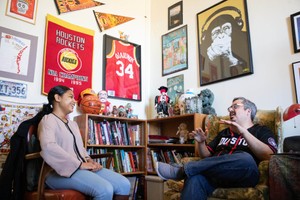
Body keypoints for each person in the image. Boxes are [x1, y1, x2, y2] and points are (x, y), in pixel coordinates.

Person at [156, 97, 278, 200]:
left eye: (235, 106)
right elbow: (206, 156)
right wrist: (202, 142)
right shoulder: (224, 133)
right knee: (195, 178)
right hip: (215, 176)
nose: (230, 110)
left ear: (248, 111)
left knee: (246, 158)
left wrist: (243, 132)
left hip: (243, 174)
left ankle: (182, 171)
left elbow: (269, 155)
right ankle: (187, 172)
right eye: (230, 107)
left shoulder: (261, 130)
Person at [37, 85, 130, 200]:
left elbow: (80, 149)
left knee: (124, 184)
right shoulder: (48, 120)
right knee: (105, 189)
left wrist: (90, 161)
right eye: (70, 97)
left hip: (81, 168)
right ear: (57, 98)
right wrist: (80, 164)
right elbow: (48, 148)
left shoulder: (73, 124)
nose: (74, 101)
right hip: (56, 172)